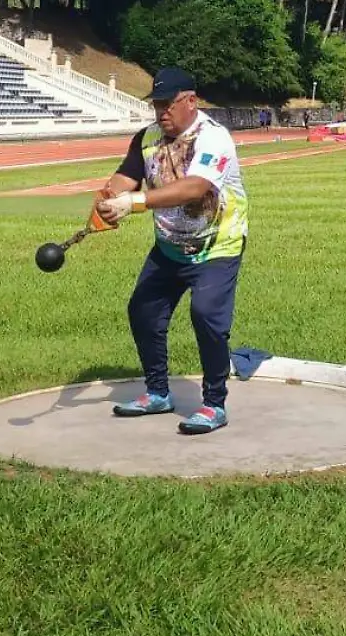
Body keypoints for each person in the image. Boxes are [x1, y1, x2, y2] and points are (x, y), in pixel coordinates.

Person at [95, 67, 248, 436]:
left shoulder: (213, 138)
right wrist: (107, 197)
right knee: (143, 311)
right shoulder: (147, 138)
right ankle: (157, 393)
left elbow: (194, 188)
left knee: (207, 315)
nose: (161, 112)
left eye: (168, 104)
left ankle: (214, 404)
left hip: (217, 244)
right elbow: (126, 176)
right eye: (156, 105)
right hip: (170, 246)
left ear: (190, 101)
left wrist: (134, 202)